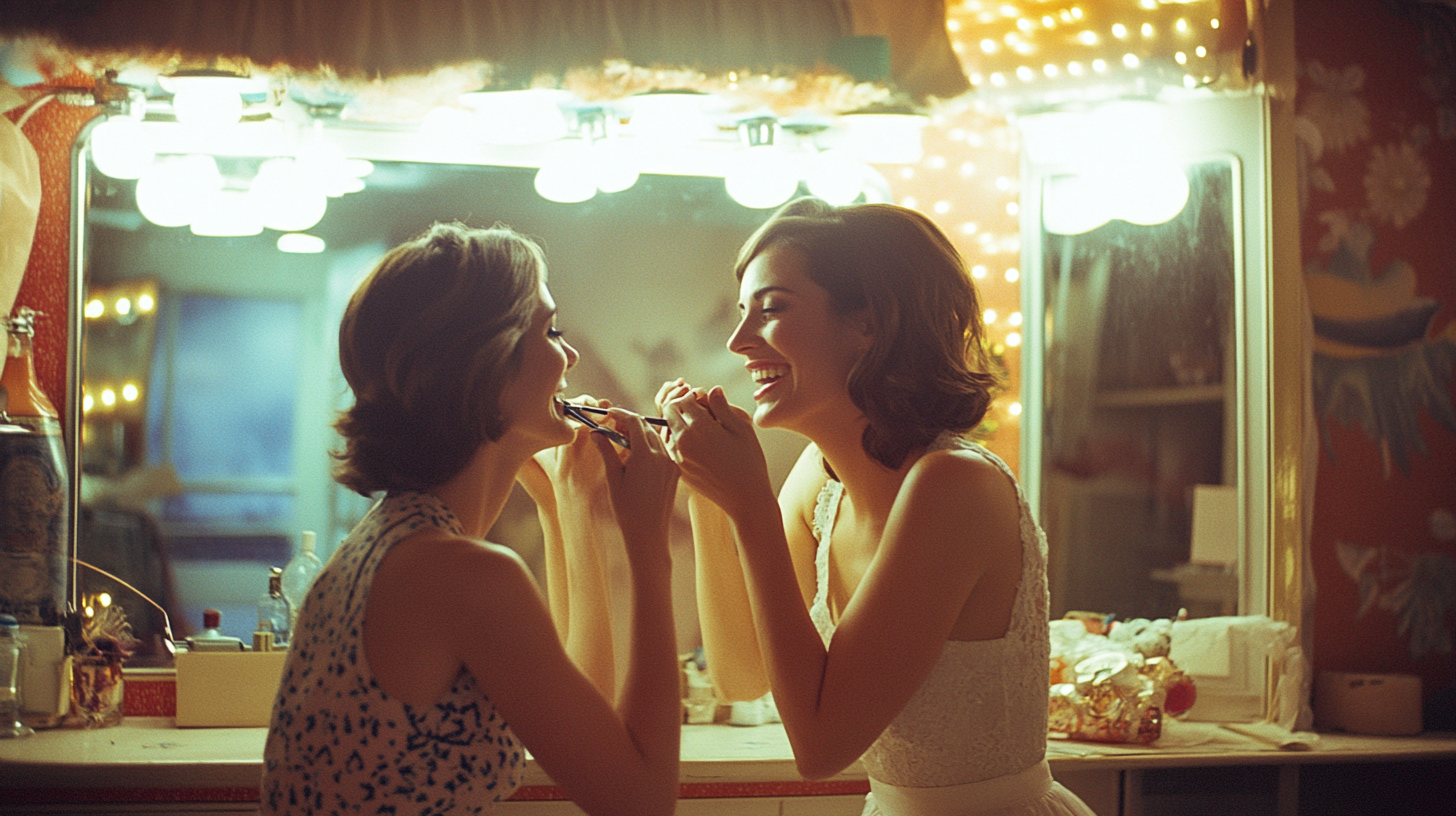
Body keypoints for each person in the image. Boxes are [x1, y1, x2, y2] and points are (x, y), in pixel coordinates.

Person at [657, 198, 1096, 815]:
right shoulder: (820, 479)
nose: (738, 341)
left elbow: (821, 747)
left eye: (772, 308)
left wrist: (751, 502)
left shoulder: (953, 485)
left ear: (868, 323)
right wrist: (706, 492)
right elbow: (740, 675)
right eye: (741, 312)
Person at [261, 222, 682, 816]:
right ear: (488, 362)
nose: (572, 355)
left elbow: (588, 711)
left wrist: (570, 503)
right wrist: (648, 546)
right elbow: (643, 803)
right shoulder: (464, 575)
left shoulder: (390, 547)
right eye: (551, 330)